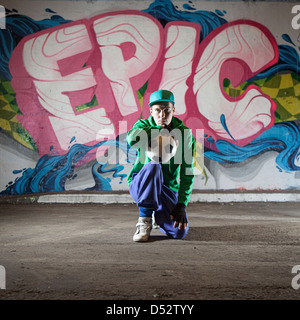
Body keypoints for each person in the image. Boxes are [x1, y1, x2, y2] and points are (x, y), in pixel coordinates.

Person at [127, 89, 195, 242]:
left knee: (179, 232)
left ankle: (157, 215)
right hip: (141, 184)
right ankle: (144, 220)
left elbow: (187, 171)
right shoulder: (143, 125)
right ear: (151, 111)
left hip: (166, 188)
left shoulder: (184, 133)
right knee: (154, 165)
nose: (162, 115)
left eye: (167, 110)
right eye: (157, 110)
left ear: (173, 110)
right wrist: (158, 130)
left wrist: (181, 204)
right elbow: (132, 140)